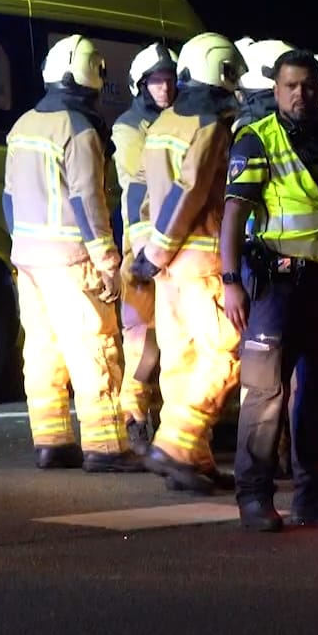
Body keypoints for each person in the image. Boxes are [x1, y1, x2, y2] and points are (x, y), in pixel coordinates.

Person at [221, 49, 318, 531]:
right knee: (265, 394)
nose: (300, 94)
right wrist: (230, 282)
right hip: (276, 287)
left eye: (308, 86)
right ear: (276, 90)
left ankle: (314, 495)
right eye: (290, 86)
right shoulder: (257, 140)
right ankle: (253, 497)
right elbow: (233, 217)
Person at [1, 34, 140, 471]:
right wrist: (107, 261)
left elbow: (7, 198)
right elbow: (87, 200)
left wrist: (20, 248)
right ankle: (106, 447)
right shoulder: (79, 130)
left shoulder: (23, 125)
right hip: (71, 260)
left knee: (43, 349)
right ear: (89, 74)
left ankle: (52, 441)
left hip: (29, 259)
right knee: (93, 347)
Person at [132, 31, 246, 493]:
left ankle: (192, 462)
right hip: (200, 260)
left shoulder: (161, 125)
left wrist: (148, 254)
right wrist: (161, 247)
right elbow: (192, 188)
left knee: (180, 359)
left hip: (167, 271)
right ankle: (177, 445)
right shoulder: (211, 126)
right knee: (225, 353)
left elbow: (141, 195)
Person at [112, 42, 178, 453]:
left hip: (171, 246)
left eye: (170, 79)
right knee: (143, 345)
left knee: (166, 342)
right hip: (143, 246)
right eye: (156, 80)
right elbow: (140, 189)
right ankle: (134, 417)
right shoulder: (129, 128)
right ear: (141, 85)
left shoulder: (173, 123)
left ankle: (154, 419)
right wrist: (141, 251)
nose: (165, 87)